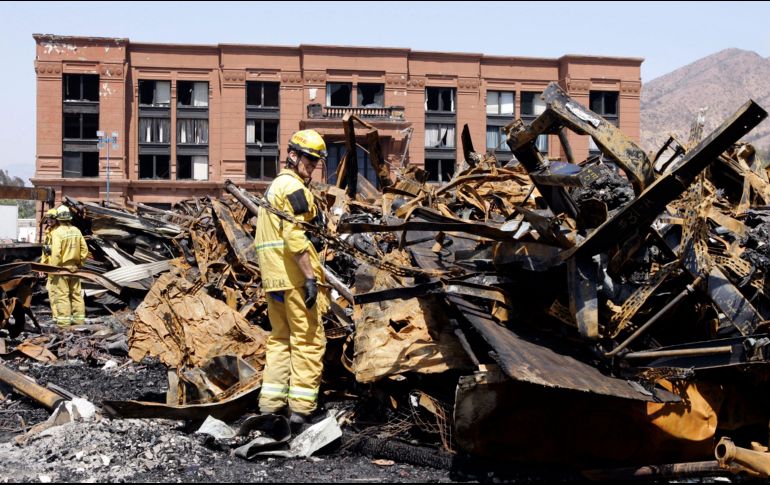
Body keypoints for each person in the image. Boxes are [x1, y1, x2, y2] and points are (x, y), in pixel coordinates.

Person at [254, 129, 329, 430]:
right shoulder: (293, 188)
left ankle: (270, 406)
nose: (312, 166)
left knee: (280, 340)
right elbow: (294, 236)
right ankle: (301, 411)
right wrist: (310, 277)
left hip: (274, 281)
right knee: (308, 341)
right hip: (295, 279)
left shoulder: (274, 187)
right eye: (309, 159)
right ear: (293, 156)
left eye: (316, 161)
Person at [49, 205, 89, 326]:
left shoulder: (57, 232)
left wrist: (54, 269)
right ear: (69, 218)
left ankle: (64, 324)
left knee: (62, 295)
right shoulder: (76, 231)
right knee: (76, 294)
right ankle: (79, 321)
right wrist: (80, 263)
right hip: (75, 268)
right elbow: (84, 249)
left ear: (58, 218)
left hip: (61, 269)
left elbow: (56, 254)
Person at [40, 208, 59, 320]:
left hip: (59, 267)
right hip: (51, 267)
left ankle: (61, 316)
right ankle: (56, 316)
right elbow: (46, 252)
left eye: (52, 218)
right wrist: (42, 266)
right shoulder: (49, 232)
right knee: (52, 292)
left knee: (59, 293)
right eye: (48, 218)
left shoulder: (58, 232)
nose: (49, 220)